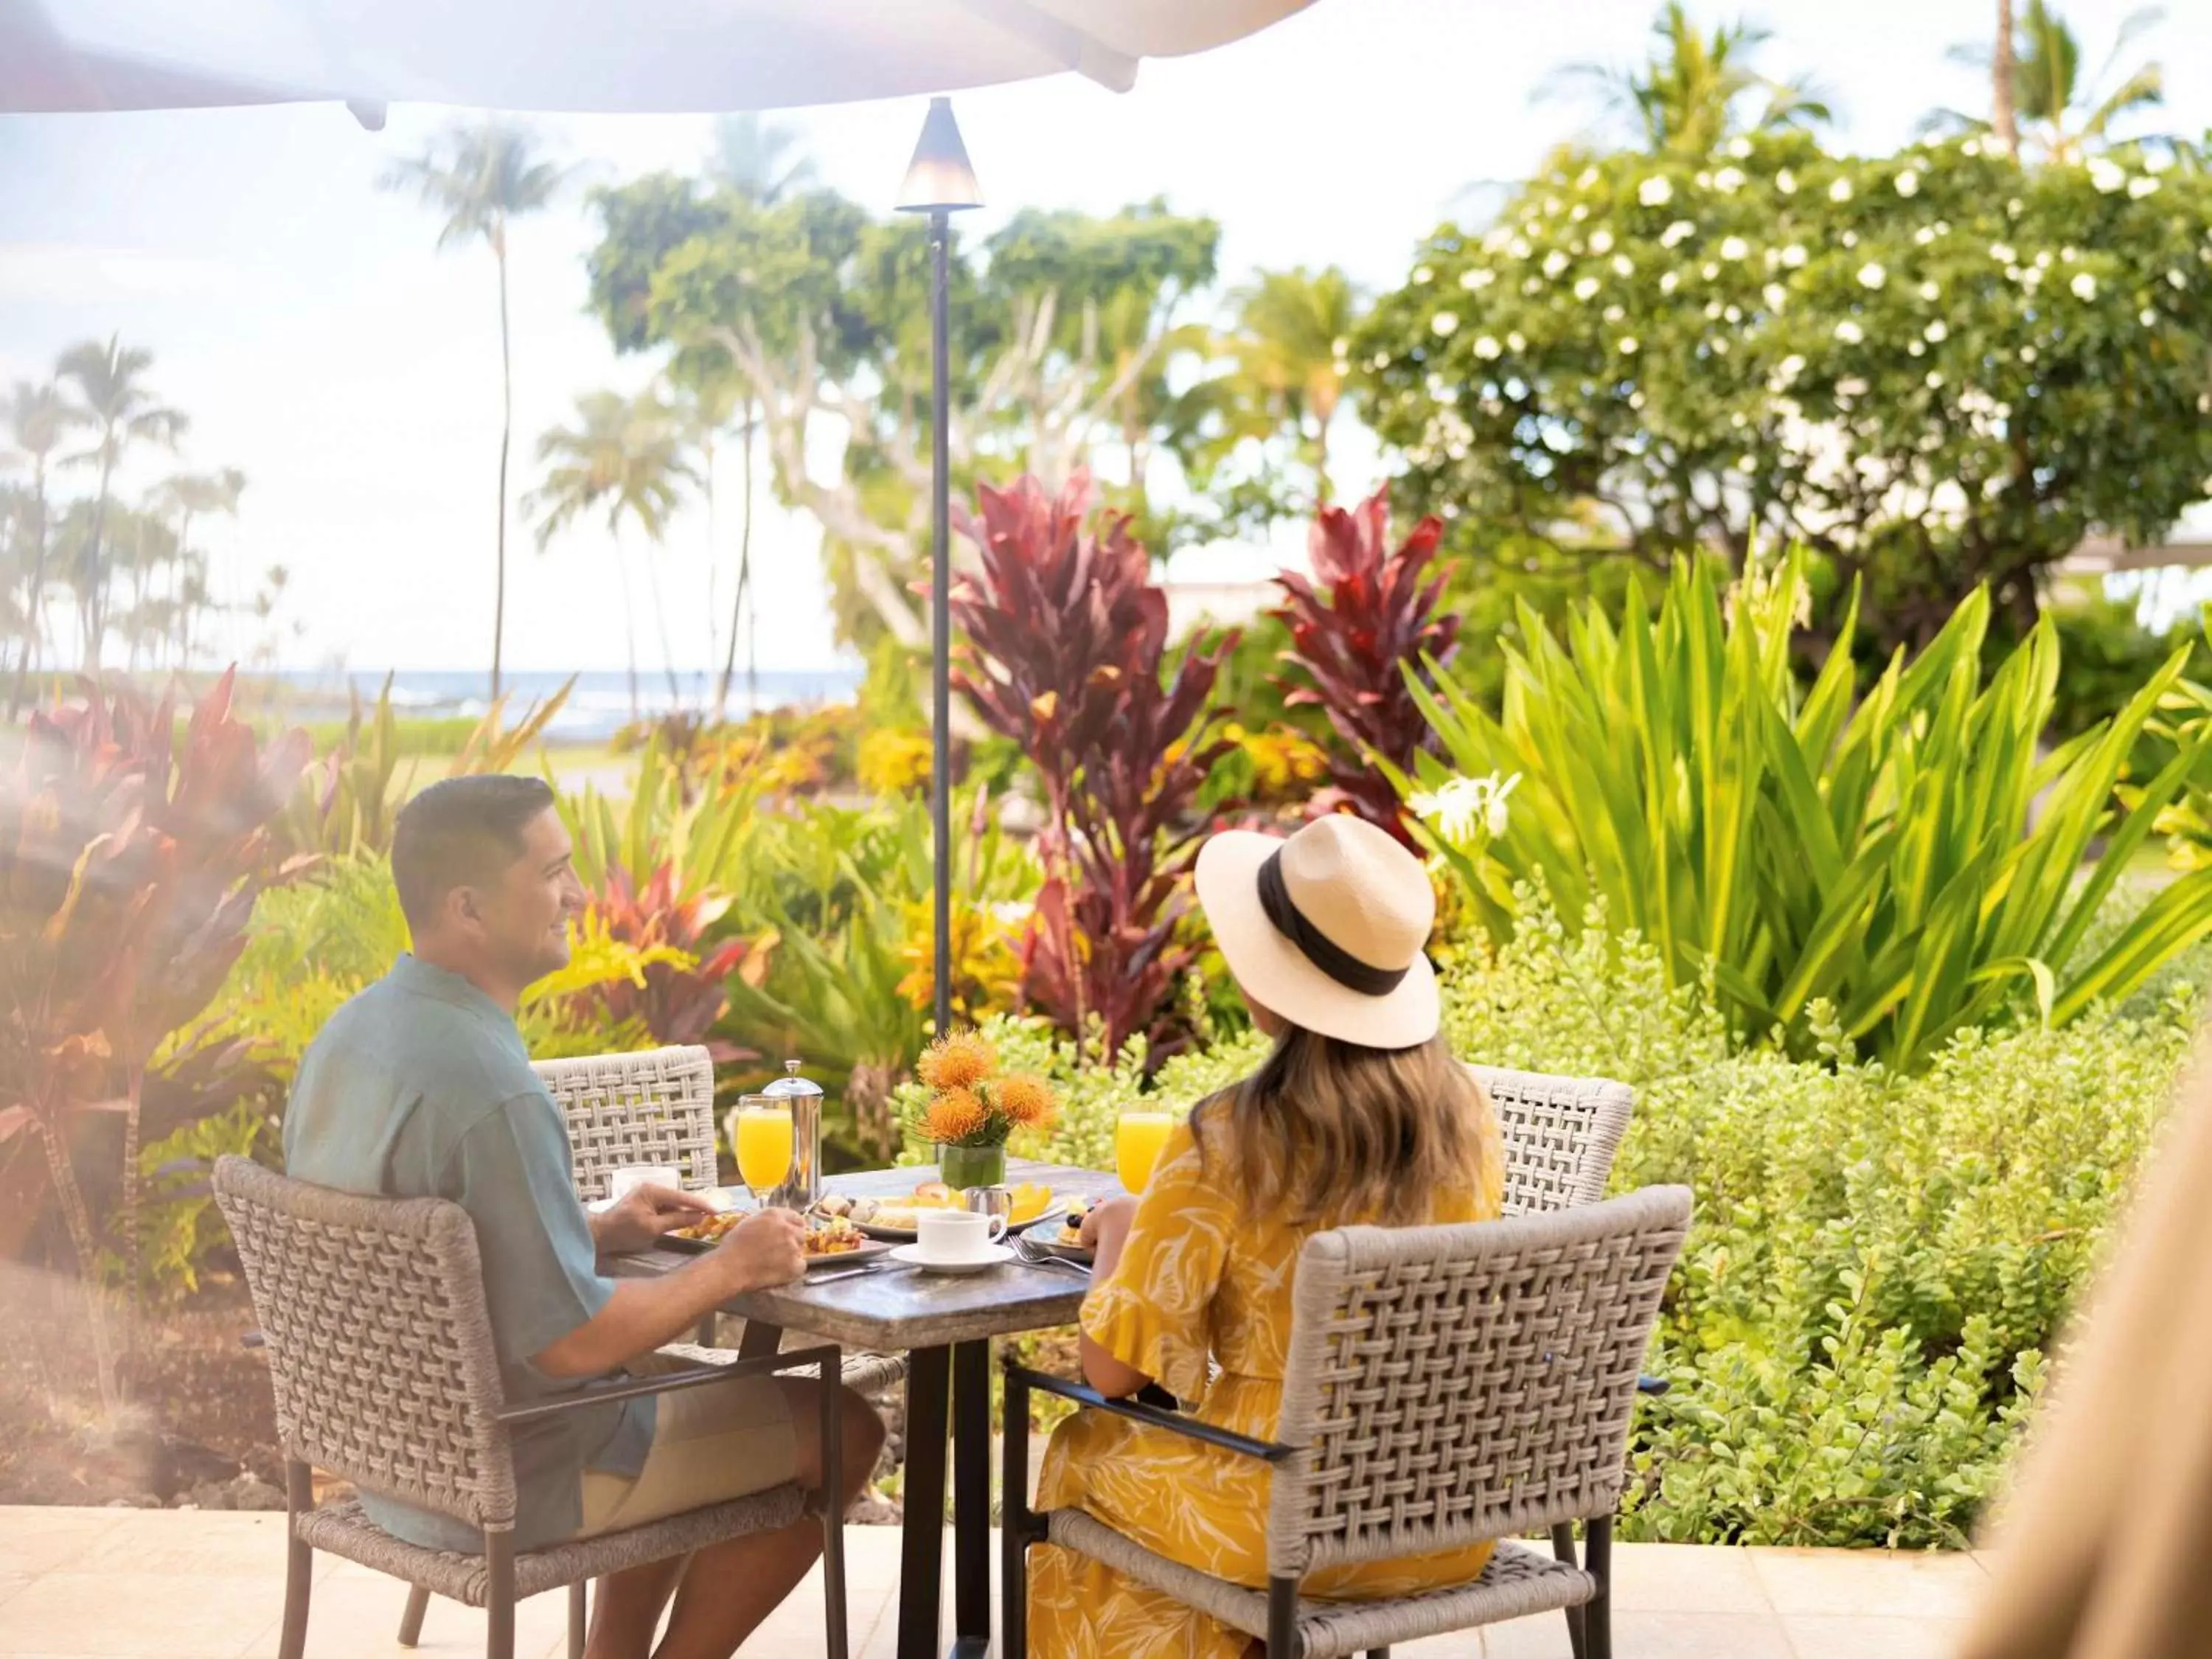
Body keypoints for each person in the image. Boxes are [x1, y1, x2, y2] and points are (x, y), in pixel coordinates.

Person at [284, 774, 883, 1659]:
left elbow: (432, 1256)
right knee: (845, 1430)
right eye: (555, 872)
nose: (577, 895)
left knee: (675, 1389)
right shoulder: (495, 1093)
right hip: (521, 1469)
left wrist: (597, 1231)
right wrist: (735, 1263)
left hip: (396, 1465)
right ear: (470, 907)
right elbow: (573, 1345)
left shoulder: (351, 1037)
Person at [1026, 813, 1506, 1659]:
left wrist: (1124, 1230)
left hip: (1285, 1517)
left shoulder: (1227, 1137)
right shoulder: (1465, 1124)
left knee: (1080, 1451)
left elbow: (1113, 1372)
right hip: (1441, 1519)